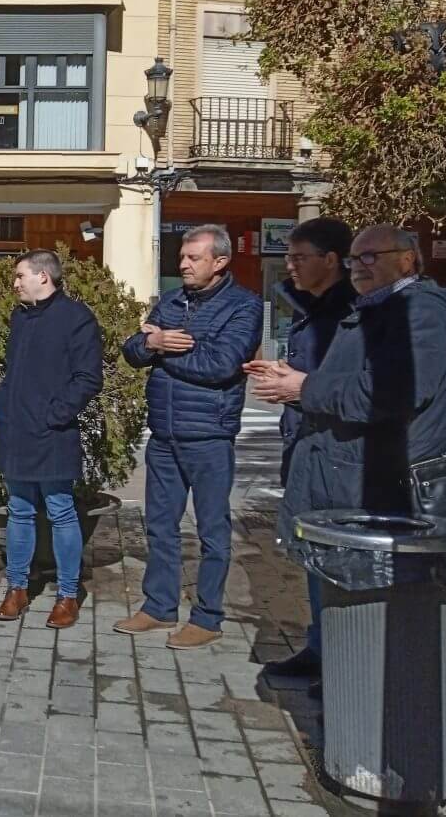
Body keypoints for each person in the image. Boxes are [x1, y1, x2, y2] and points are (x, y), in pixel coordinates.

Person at [256, 224, 446, 695]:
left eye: (373, 257)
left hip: (392, 486)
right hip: (349, 473)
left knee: (375, 594)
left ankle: (359, 685)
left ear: (409, 260)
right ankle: (329, 658)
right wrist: (299, 379)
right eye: (354, 260)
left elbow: (388, 392)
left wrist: (304, 388)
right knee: (336, 578)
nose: (360, 267)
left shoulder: (420, 314)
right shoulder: (376, 309)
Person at [119, 224, 261, 649]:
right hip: (164, 432)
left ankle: (207, 615)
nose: (182, 264)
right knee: (160, 525)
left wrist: (159, 350)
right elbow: (131, 350)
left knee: (212, 530)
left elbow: (220, 365)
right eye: (181, 257)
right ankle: (159, 606)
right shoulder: (171, 301)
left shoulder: (244, 306)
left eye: (193, 258)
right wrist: (158, 342)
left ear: (219, 262)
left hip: (209, 435)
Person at [243, 217, 353, 685]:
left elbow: (356, 386)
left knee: (336, 560)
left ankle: (342, 664)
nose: (289, 266)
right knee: (314, 558)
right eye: (287, 257)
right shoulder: (312, 308)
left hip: (338, 456)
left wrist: (300, 385)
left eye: (299, 257)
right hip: (305, 444)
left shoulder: (350, 313)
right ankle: (318, 648)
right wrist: (284, 371)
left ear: (331, 261)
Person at [0, 251, 103, 629]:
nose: (15, 282)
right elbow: (14, 373)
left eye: (20, 275)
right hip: (17, 431)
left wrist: (54, 415)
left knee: (60, 510)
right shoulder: (20, 318)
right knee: (19, 510)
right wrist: (2, 408)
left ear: (43, 276)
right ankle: (18, 587)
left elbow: (88, 378)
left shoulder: (76, 319)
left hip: (53, 434)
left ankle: (68, 595)